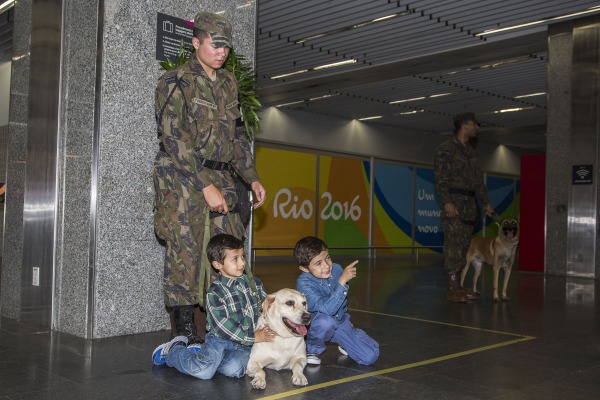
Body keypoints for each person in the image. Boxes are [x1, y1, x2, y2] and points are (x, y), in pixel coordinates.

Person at [153, 12, 266, 345]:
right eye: (215, 45)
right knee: (184, 251)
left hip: (222, 175)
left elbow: (236, 136)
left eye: (226, 48)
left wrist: (252, 177)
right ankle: (185, 330)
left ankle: (223, 319)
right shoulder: (176, 80)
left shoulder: (228, 84)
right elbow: (175, 138)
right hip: (182, 178)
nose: (221, 52)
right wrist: (205, 184)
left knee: (228, 248)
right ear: (195, 42)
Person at [152, 234, 275, 379]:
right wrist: (253, 337)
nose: (242, 263)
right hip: (220, 340)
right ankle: (172, 351)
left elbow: (267, 309)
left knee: (234, 370)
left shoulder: (254, 283)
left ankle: (202, 356)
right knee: (203, 372)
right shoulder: (215, 292)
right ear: (217, 265)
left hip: (243, 345)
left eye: (242, 256)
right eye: (235, 259)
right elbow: (224, 326)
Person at [433, 112, 494, 303]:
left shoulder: (471, 153)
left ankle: (459, 286)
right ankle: (452, 288)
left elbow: (477, 182)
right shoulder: (446, 149)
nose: (477, 128)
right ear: (464, 125)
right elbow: (440, 179)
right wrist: (447, 202)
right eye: (475, 124)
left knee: (463, 247)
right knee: (453, 246)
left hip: (469, 206)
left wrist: (485, 202)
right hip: (454, 204)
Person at [294, 236, 379, 366]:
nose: (327, 265)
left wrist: (345, 318)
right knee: (326, 321)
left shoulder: (337, 269)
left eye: (327, 258)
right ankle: (312, 349)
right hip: (316, 326)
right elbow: (328, 310)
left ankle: (348, 340)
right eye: (318, 263)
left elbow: (341, 301)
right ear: (305, 269)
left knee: (370, 356)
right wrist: (342, 281)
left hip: (338, 322)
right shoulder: (303, 284)